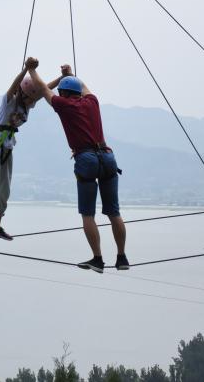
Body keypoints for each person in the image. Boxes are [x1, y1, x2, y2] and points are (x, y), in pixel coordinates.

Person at [26, 58, 129, 273]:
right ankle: (122, 258)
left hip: (86, 159)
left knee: (88, 214)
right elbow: (83, 86)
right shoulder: (92, 101)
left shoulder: (64, 105)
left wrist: (32, 70)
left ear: (64, 94)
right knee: (114, 212)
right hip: (107, 157)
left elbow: (43, 89)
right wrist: (70, 75)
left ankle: (98, 259)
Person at [0, 58, 53, 240]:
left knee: (4, 192)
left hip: (7, 148)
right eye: (30, 96)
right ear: (23, 93)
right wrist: (26, 69)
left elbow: (45, 89)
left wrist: (63, 77)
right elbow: (13, 86)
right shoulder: (8, 101)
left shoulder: (27, 106)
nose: (33, 99)